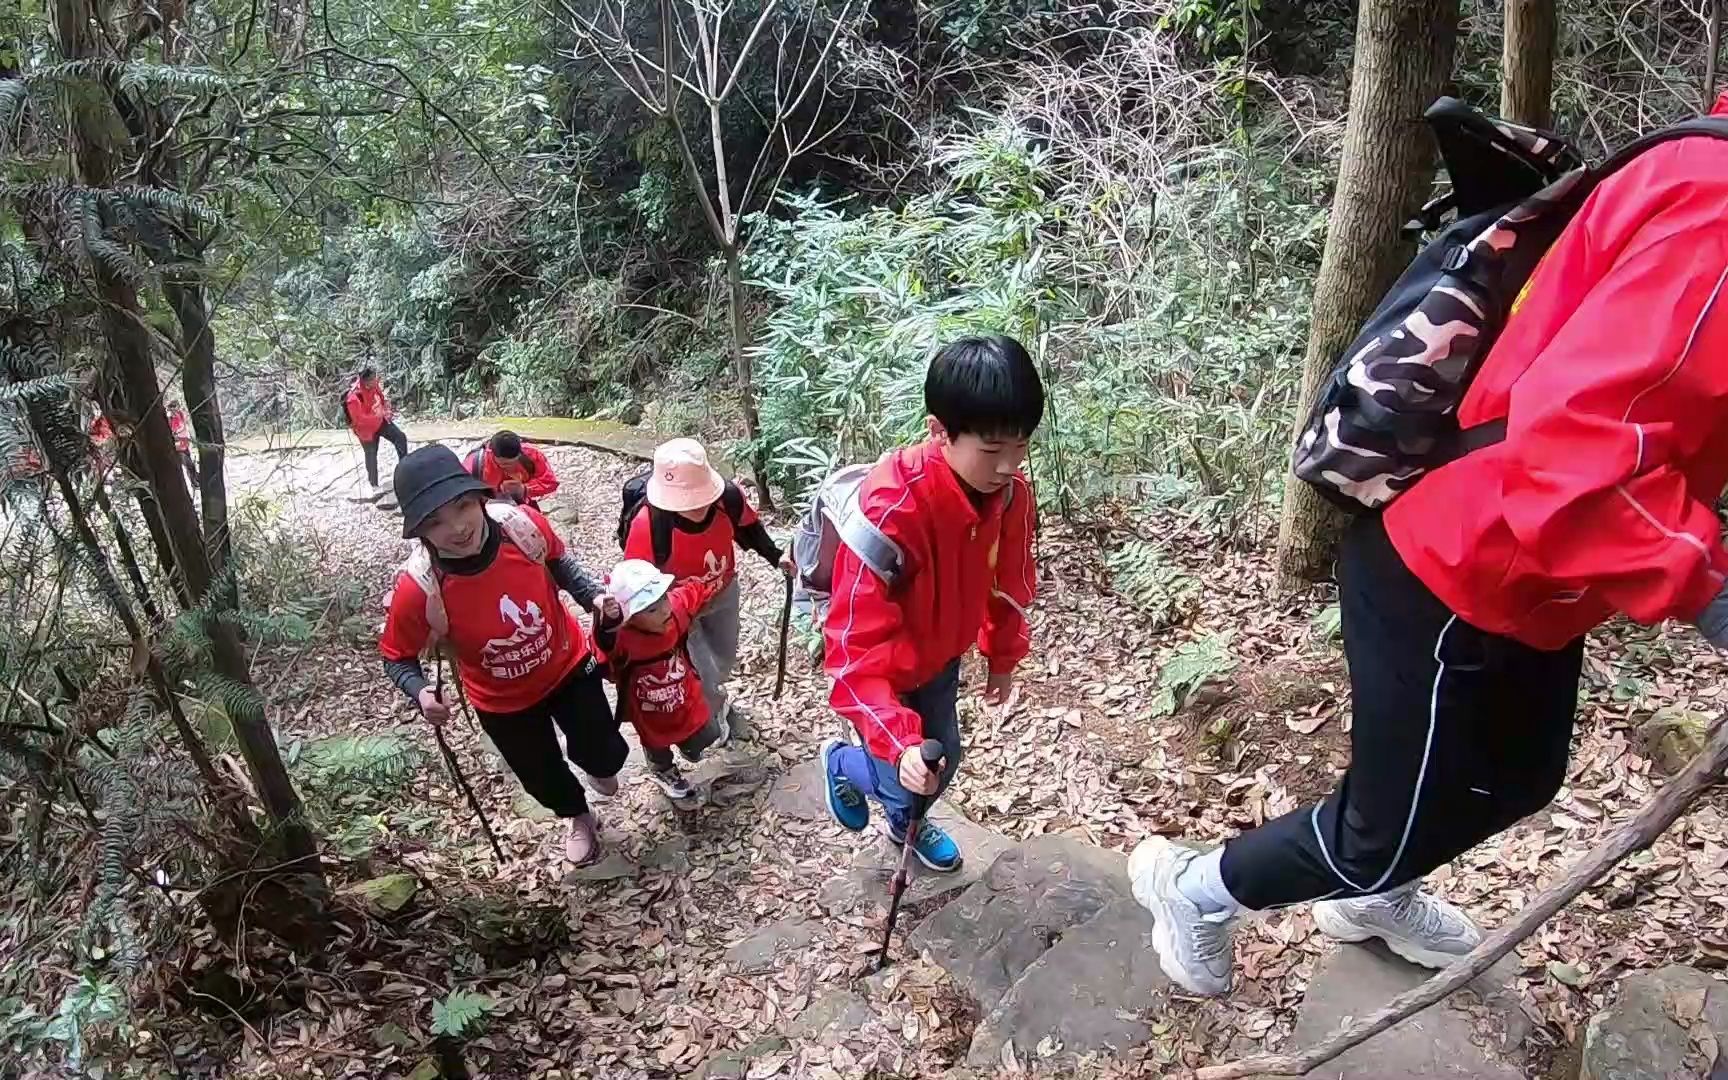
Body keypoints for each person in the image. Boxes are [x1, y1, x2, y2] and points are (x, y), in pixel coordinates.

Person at [1130, 91, 1728, 996]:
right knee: (1381, 829)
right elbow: (1577, 457)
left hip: (1539, 575)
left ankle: (1372, 894)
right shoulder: (1717, 207)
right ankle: (1196, 889)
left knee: (1522, 777)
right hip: (1454, 559)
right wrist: (1711, 588)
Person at [815, 335, 1041, 873]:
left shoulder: (1009, 496)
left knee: (943, 763)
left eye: (1020, 446)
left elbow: (1009, 583)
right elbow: (850, 658)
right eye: (991, 450)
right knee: (904, 769)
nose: (1009, 465)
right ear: (939, 431)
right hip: (887, 670)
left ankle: (902, 823)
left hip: (940, 659)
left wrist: (1002, 654)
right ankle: (846, 765)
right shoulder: (890, 512)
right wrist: (899, 741)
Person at [378, 445, 624, 866]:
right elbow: (396, 657)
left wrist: (592, 598)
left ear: (479, 497)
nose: (456, 528)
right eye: (435, 522)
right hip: (501, 702)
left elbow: (558, 561)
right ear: (420, 531)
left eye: (461, 507)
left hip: (566, 664)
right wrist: (420, 694)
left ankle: (596, 762)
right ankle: (579, 817)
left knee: (604, 752)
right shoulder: (417, 588)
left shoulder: (521, 527)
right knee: (542, 777)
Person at [622, 438, 791, 732]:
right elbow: (638, 583)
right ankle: (714, 716)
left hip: (722, 590)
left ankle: (712, 698)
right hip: (676, 607)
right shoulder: (647, 524)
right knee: (701, 668)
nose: (697, 506)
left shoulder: (728, 498)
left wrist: (777, 558)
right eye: (687, 501)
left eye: (700, 497)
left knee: (724, 657)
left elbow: (750, 530)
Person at [595, 559, 730, 802]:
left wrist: (714, 580)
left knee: (706, 732)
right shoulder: (622, 639)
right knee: (656, 743)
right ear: (629, 618)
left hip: (684, 693)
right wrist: (605, 626)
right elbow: (602, 649)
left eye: (663, 599)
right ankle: (662, 770)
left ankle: (691, 747)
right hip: (647, 708)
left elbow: (692, 591)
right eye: (650, 609)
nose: (664, 610)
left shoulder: (675, 611)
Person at [344, 366, 409, 497]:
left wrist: (386, 410)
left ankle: (406, 470)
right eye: (373, 379)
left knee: (400, 437)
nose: (376, 381)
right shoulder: (353, 398)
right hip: (365, 431)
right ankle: (373, 484)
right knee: (371, 455)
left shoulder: (374, 385)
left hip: (379, 422)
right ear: (366, 381)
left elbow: (381, 397)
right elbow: (359, 420)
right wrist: (377, 416)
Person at [465, 431, 559, 509]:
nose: (509, 467)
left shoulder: (532, 456)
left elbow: (550, 483)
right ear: (491, 453)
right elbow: (461, 490)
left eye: (512, 463)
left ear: (519, 453)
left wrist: (524, 489)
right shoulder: (475, 462)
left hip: (522, 506)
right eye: (503, 464)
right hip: (485, 508)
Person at [168, 402, 197, 487]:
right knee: (188, 463)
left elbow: (184, 426)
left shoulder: (180, 415)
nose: (174, 410)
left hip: (184, 443)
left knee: (189, 464)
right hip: (178, 445)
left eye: (175, 408)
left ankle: (194, 480)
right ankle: (194, 481)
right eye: (172, 408)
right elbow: (173, 430)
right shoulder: (170, 419)